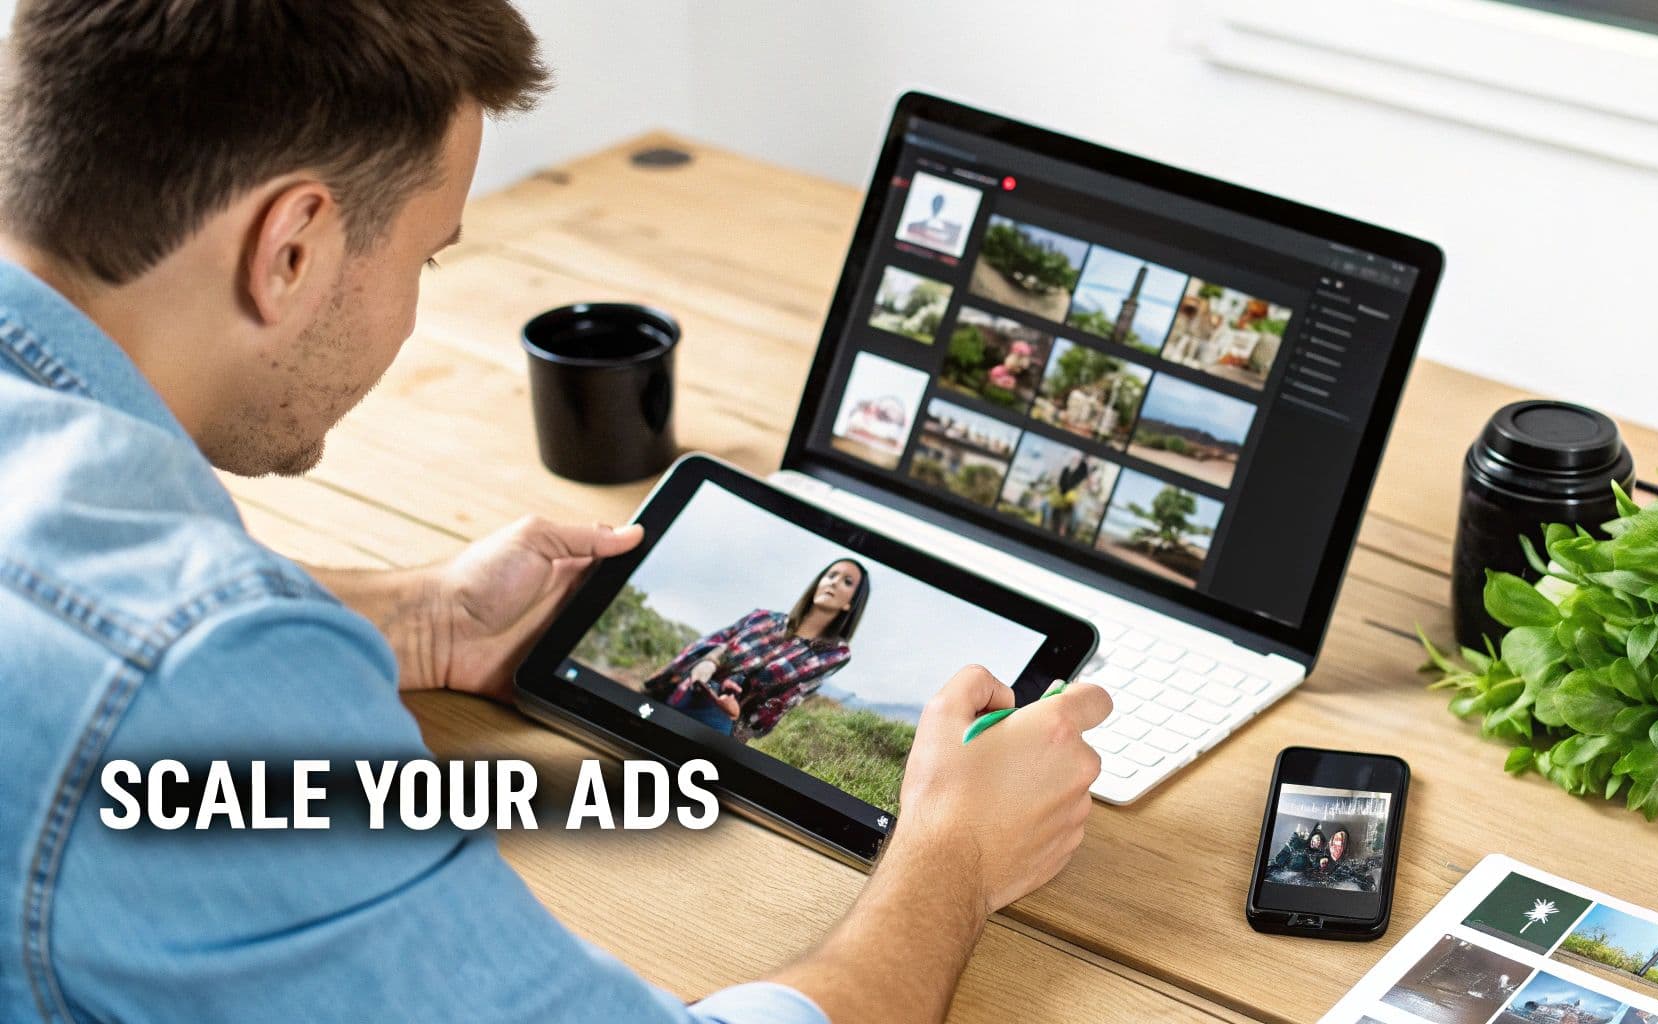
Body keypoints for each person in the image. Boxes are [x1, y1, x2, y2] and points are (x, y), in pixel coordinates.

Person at [0, 4, 1113, 1023]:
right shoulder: (192, 681)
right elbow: (152, 653)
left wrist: (416, 615)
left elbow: (84, 605)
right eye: (428, 255)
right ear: (291, 247)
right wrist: (954, 856)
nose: (410, 311)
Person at [644, 560, 867, 738]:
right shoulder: (763, 618)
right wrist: (708, 662)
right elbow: (722, 641)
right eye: (831, 575)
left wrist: (737, 713)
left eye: (847, 581)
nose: (835, 582)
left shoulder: (830, 654)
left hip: (720, 717)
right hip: (688, 689)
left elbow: (785, 698)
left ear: (851, 603)